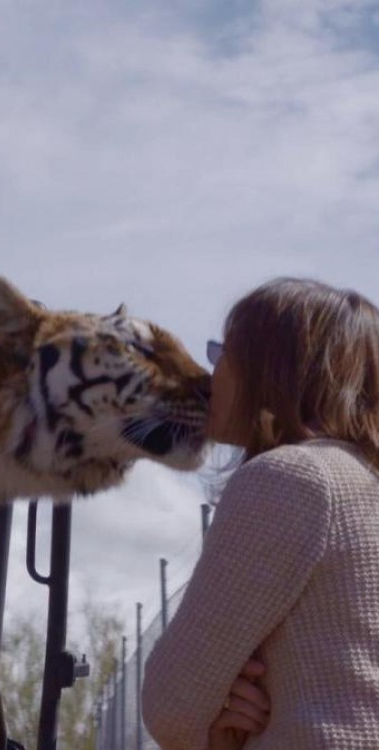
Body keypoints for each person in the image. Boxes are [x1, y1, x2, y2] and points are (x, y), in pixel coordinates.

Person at [141, 278, 379, 749]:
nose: (208, 376)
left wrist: (218, 725)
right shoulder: (362, 481)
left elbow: (171, 707)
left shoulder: (291, 480)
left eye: (223, 353)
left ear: (269, 369)